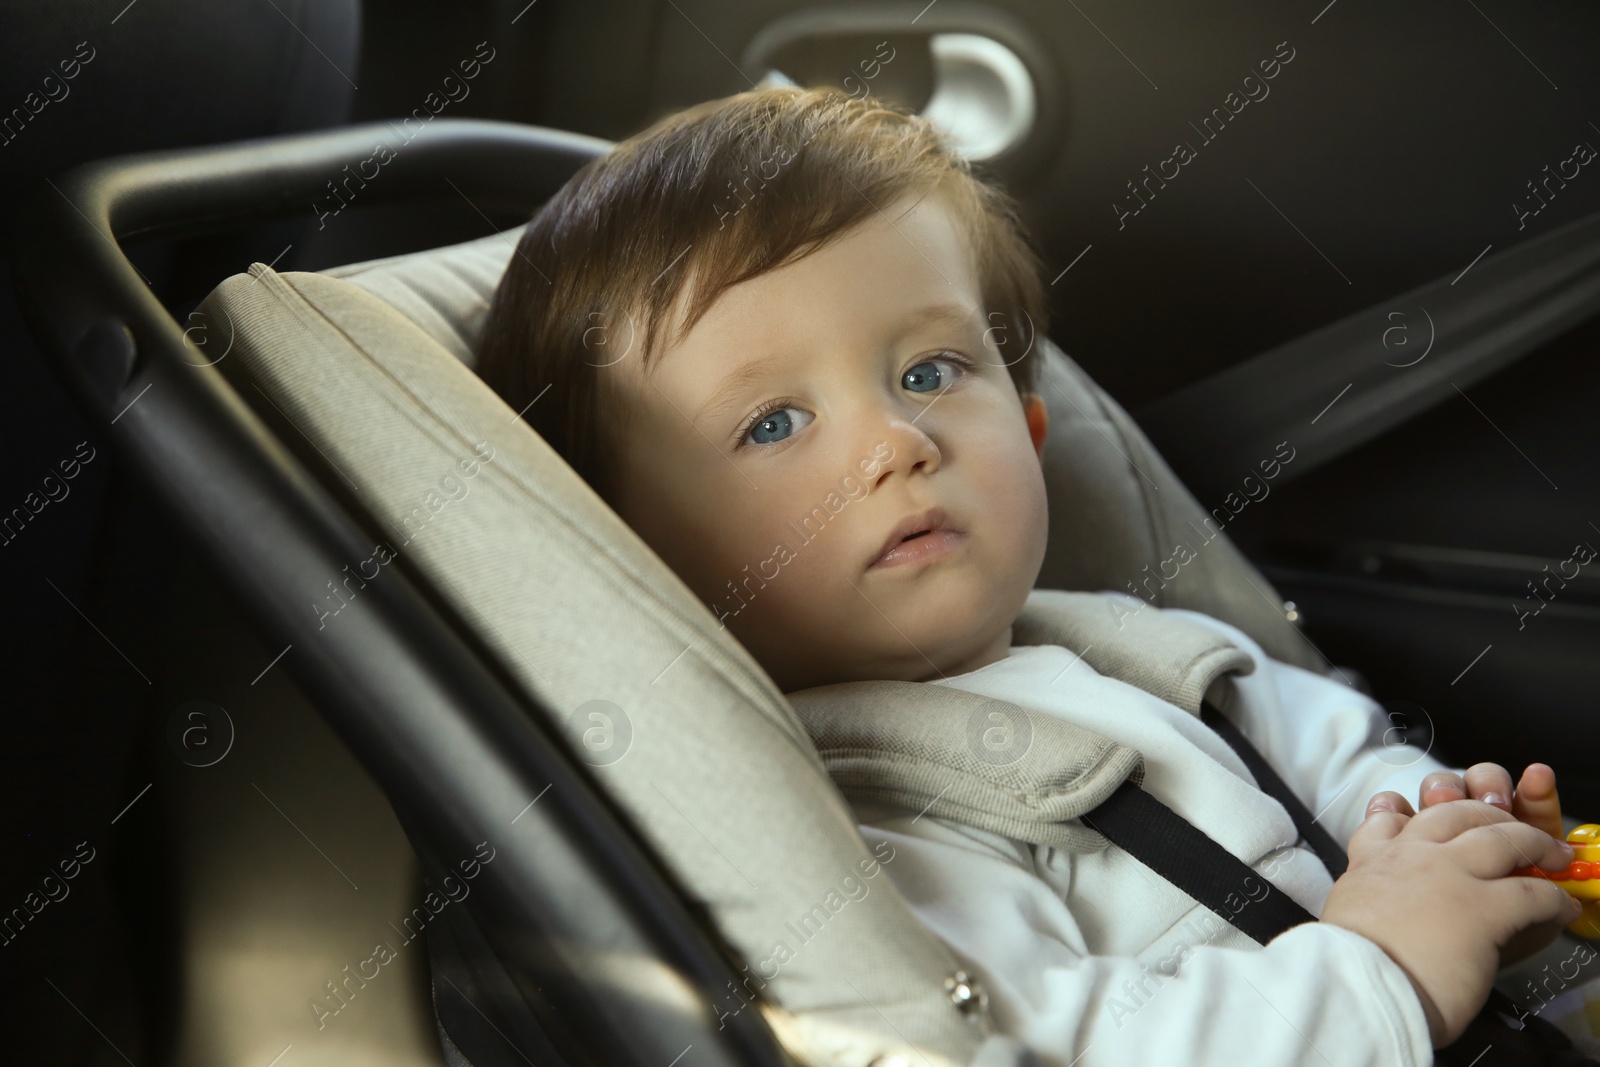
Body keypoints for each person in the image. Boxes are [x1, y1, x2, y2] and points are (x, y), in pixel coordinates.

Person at [475, 83, 1592, 1064]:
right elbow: (1066, 1047)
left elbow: (1325, 747)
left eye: (929, 368)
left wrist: (1438, 835)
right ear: (638, 557)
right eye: (772, 421)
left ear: (1032, 423)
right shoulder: (861, 827)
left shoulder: (1139, 645)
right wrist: (1383, 962)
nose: (895, 442)